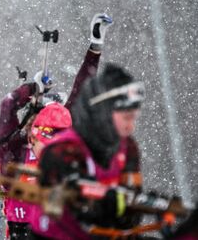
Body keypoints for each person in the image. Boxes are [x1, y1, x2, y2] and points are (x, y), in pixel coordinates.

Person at [0, 13, 112, 239]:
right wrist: (32, 89)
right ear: (33, 137)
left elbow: (82, 90)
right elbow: (8, 104)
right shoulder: (14, 147)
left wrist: (95, 47)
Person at [30, 63, 145, 239]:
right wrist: (105, 204)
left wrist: (124, 207)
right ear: (104, 112)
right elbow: (63, 216)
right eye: (126, 117)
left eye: (134, 118)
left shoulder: (127, 148)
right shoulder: (61, 151)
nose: (131, 126)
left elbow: (133, 215)